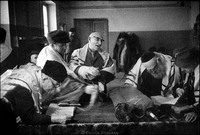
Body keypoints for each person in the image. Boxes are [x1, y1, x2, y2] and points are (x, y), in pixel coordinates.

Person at [1, 60, 69, 125]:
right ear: (45, 78)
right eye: (55, 85)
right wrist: (55, 119)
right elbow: (28, 118)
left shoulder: (32, 74)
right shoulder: (25, 86)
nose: (58, 89)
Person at [69, 32, 115, 103]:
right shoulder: (77, 53)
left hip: (99, 87)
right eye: (97, 39)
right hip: (82, 86)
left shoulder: (105, 55)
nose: (99, 43)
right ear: (89, 39)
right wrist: (84, 70)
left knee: (103, 104)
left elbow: (111, 69)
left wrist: (99, 75)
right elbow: (72, 67)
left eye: (101, 40)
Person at [171, 47, 199, 122]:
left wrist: (195, 112)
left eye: (184, 67)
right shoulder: (190, 72)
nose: (182, 70)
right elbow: (184, 86)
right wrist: (178, 90)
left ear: (194, 63)